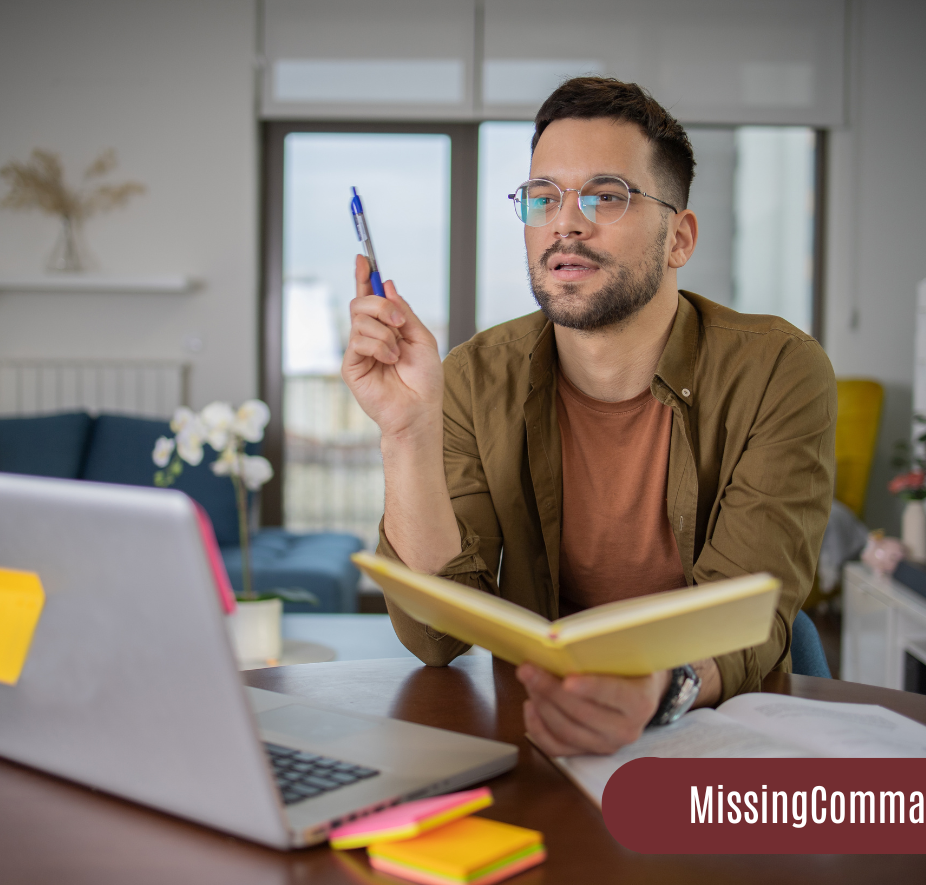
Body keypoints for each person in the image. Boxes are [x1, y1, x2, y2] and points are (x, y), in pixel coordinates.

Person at [343, 77, 835, 756]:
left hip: (713, 724)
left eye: (607, 196)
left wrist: (654, 691)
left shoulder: (779, 369)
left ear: (679, 238)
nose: (565, 222)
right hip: (545, 726)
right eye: (542, 198)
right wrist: (406, 432)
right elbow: (436, 635)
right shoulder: (472, 377)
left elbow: (752, 611)